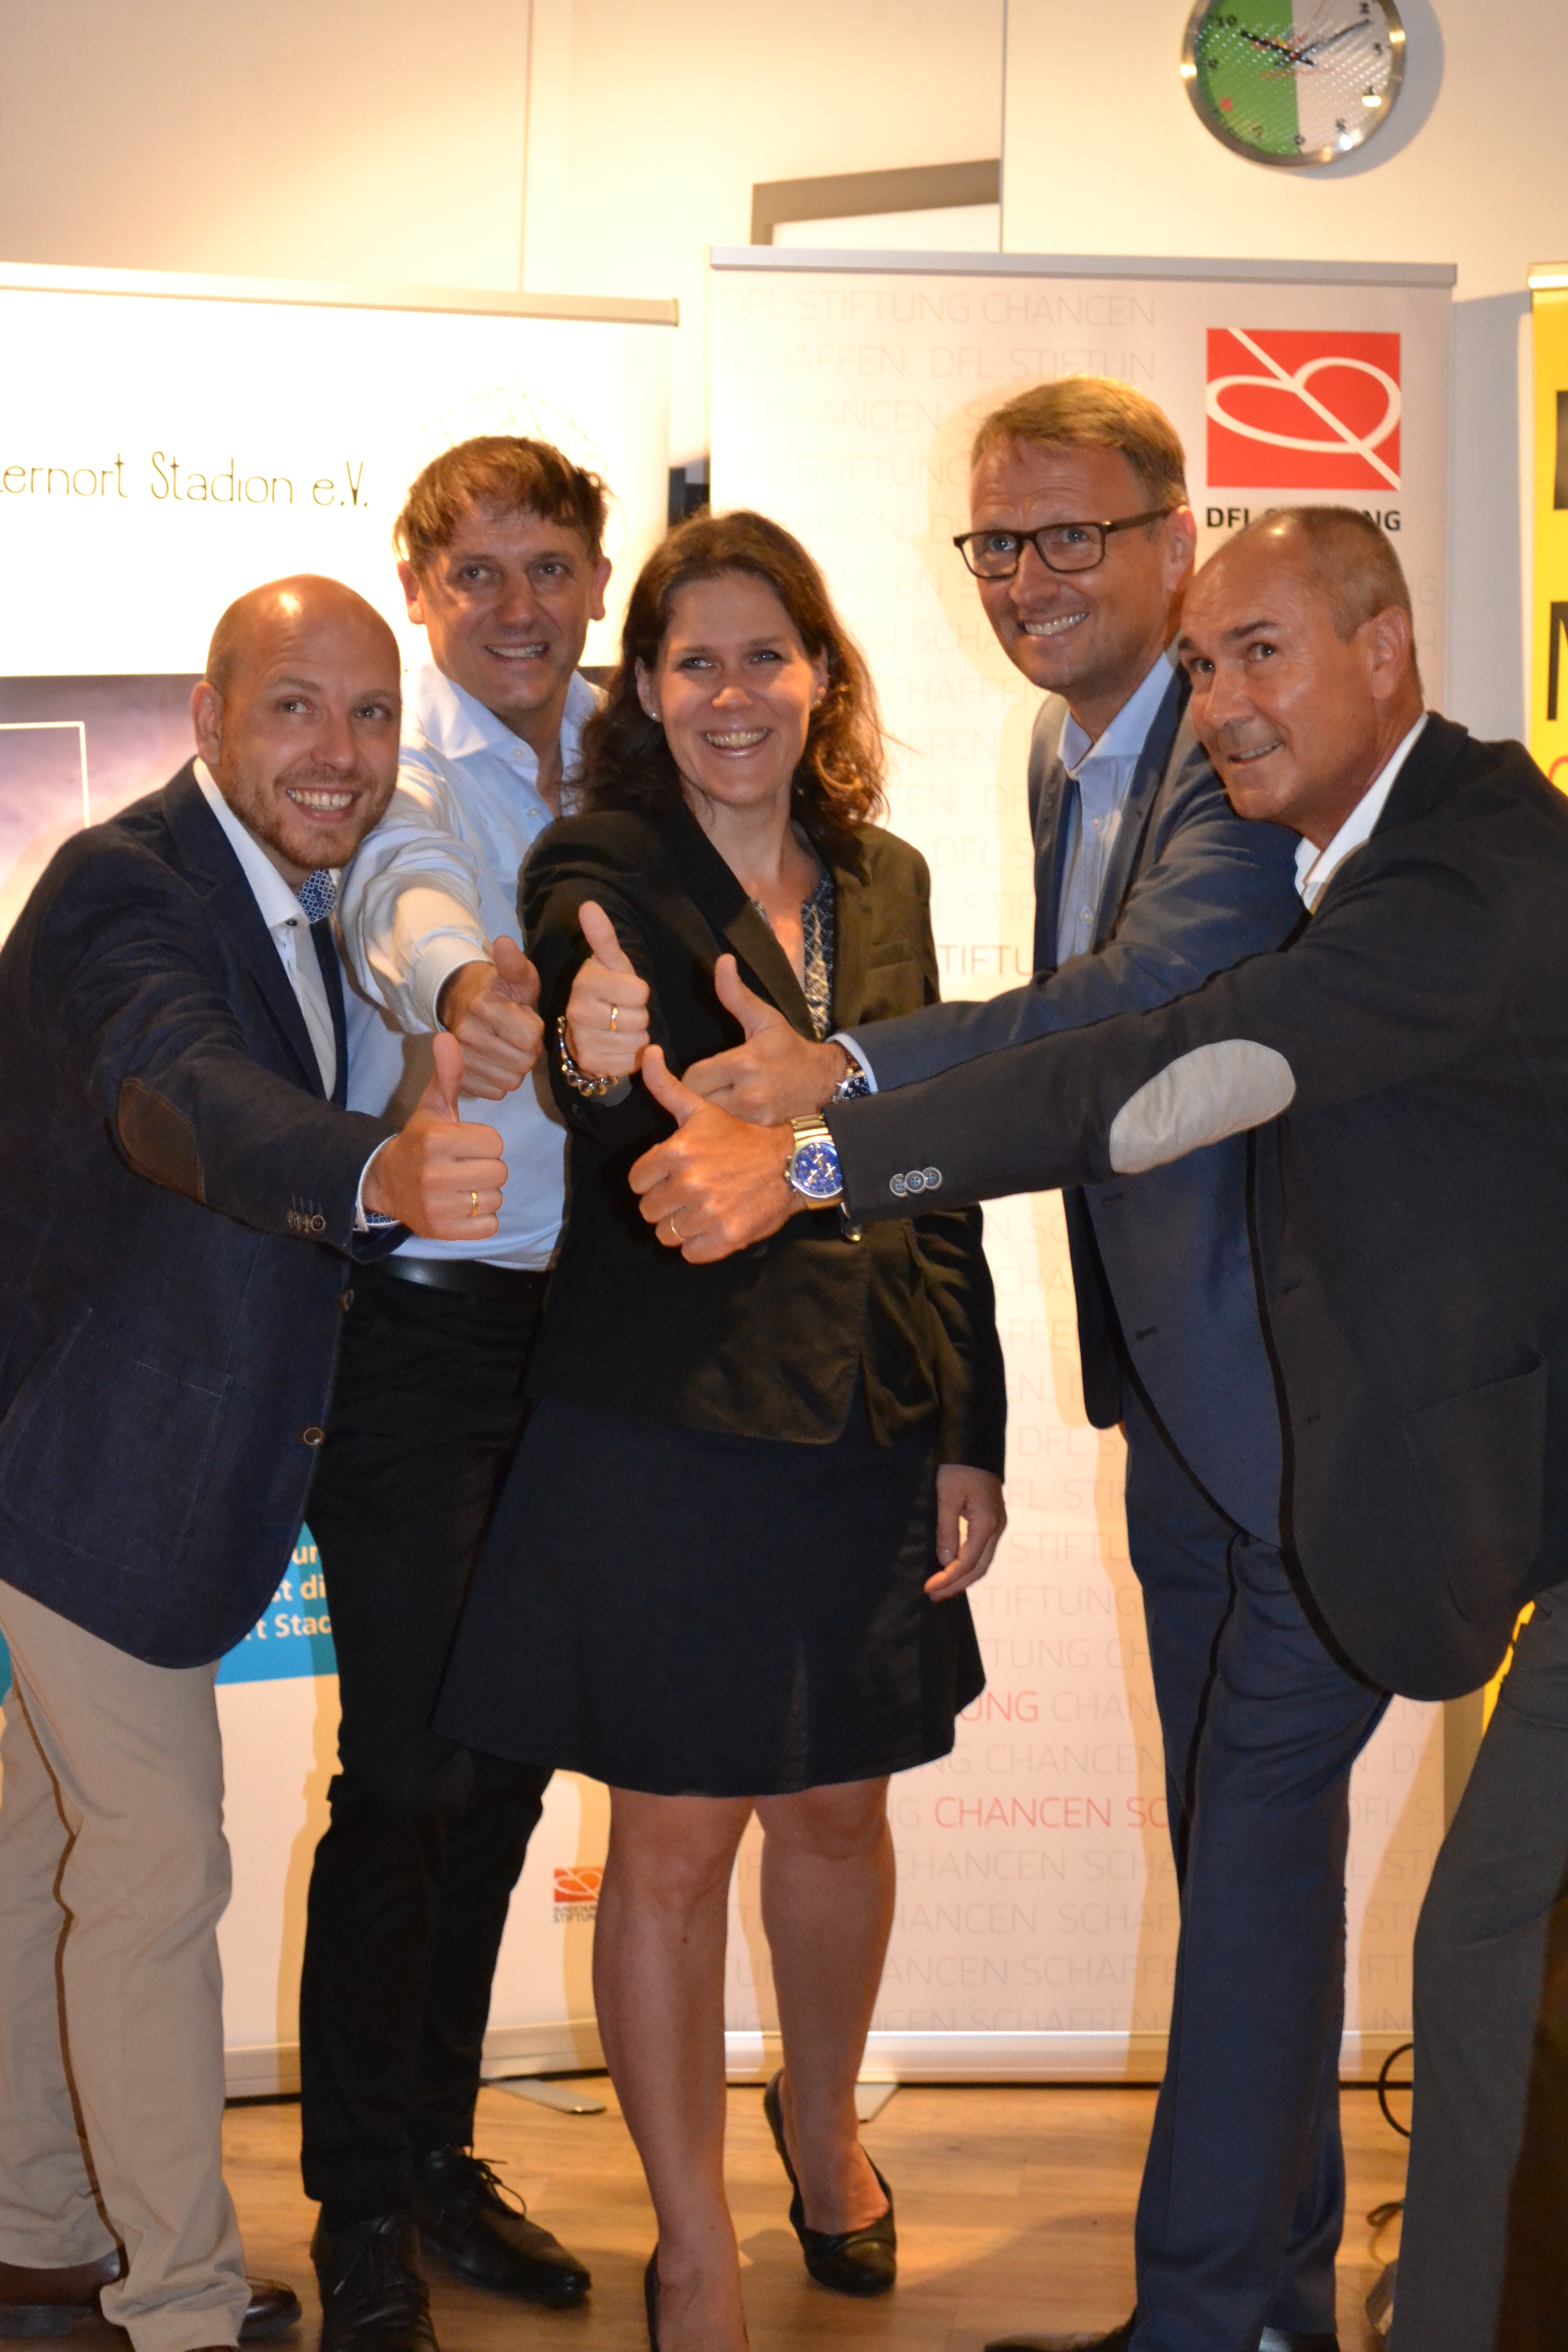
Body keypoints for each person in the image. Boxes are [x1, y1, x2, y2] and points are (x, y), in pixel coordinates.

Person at [629, 506, 1568, 2352]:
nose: (1221, 703)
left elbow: (1163, 1069)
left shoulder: (1462, 873)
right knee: (1358, 1895)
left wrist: (817, 1158)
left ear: (1387, 649)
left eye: (1261, 653)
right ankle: (1255, 2310)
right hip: (1407, 1454)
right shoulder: (1377, 847)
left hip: (1449, 1470)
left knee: (1472, 1942)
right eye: (1204, 667)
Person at [433, 509, 1008, 2352]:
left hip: (869, 1419)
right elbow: (600, 1069)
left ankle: (824, 2134)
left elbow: (938, 1158)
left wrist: (969, 1425)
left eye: (767, 655)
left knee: (837, 1813)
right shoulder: (602, 861)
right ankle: (695, 2246)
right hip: (667, 1431)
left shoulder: (889, 879)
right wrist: (592, 1043)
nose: (733, 692)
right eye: (695, 662)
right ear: (651, 689)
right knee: (674, 1842)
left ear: (821, 675)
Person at [0, 578, 507, 2352]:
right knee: (156, 1878)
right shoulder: (123, 885)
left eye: (371, 714)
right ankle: (185, 2307)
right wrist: (375, 1171)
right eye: (295, 707)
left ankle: (37, 2224)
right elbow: (177, 1088)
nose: (339, 751)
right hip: (92, 1467)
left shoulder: (302, 891)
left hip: (132, 1452)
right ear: (210, 718)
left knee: (42, 1845)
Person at [302, 437, 606, 2351]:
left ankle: (429, 2152)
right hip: (419, 1336)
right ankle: (354, 2218)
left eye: (546, 567)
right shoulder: (392, 768)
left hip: (595, 1343)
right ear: (420, 594)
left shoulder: (635, 750)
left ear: (597, 583)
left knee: (501, 1777)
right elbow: (399, 901)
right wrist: (465, 995)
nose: (515, 607)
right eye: (474, 573)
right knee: (406, 1781)